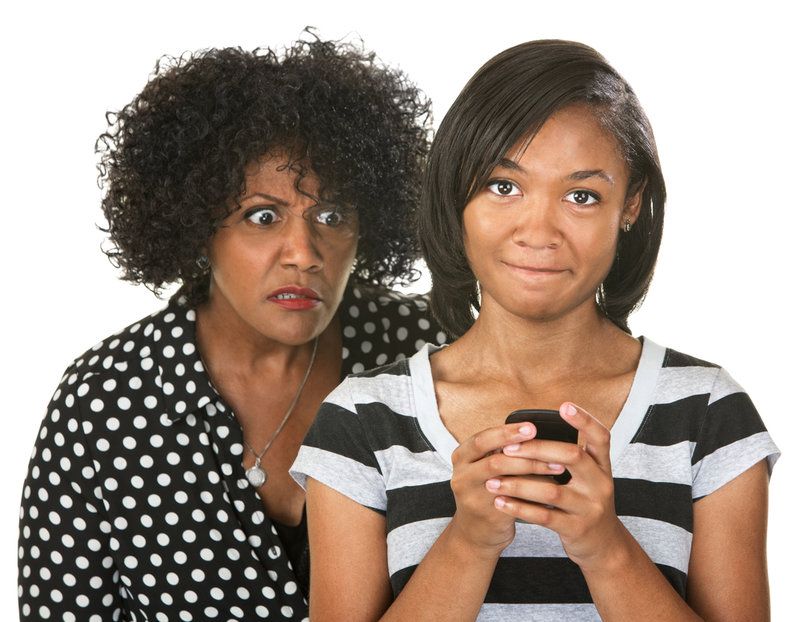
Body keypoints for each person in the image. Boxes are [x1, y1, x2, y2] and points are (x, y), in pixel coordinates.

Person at [291, 39, 779, 621]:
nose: (538, 230)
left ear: (630, 205)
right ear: (457, 191)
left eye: (581, 195)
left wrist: (604, 547)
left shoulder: (708, 413)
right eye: (504, 186)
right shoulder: (361, 419)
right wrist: (470, 540)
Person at [17, 36, 446, 621]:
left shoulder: (426, 353)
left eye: (331, 215)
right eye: (262, 216)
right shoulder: (105, 405)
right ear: (198, 228)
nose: (303, 252)